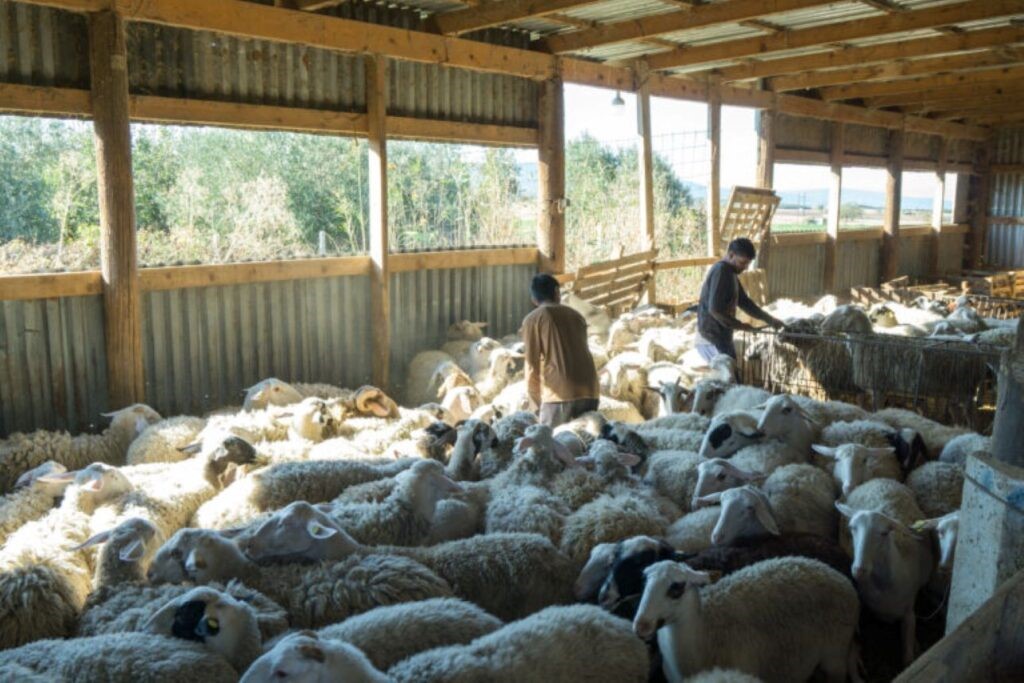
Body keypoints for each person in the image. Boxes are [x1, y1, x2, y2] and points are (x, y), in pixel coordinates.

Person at [521, 273, 600, 428]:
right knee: (586, 445)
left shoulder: (534, 319)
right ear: (557, 293)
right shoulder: (577, 316)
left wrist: (535, 404)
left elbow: (532, 365)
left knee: (551, 444)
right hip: (591, 389)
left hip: (560, 394)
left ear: (533, 299)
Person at [695, 237, 784, 362]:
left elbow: (745, 302)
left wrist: (770, 320)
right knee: (729, 379)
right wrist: (740, 325)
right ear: (731, 255)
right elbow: (715, 310)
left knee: (733, 377)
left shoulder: (730, 273)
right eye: (743, 263)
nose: (746, 268)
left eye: (748, 263)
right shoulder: (721, 271)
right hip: (711, 338)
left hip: (721, 336)